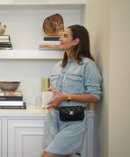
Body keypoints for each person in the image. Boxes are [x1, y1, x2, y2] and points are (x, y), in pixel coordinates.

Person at [41, 25, 102, 157]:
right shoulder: (57, 66)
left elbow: (95, 96)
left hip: (73, 121)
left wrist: (66, 96)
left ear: (76, 41)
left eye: (65, 36)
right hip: (52, 119)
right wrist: (53, 93)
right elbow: (58, 94)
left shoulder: (88, 65)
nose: (60, 38)